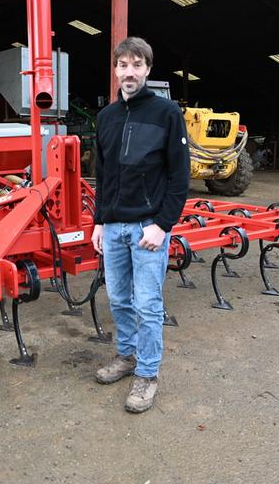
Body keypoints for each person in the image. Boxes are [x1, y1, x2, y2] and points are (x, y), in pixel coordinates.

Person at [91, 37, 190, 413]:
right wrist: (100, 221)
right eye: (122, 65)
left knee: (148, 305)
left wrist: (162, 225)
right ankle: (126, 356)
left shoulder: (166, 113)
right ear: (115, 70)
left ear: (147, 69)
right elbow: (103, 176)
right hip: (114, 228)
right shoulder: (106, 117)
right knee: (118, 299)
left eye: (136, 64)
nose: (128, 72)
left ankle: (147, 375)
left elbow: (180, 177)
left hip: (148, 229)